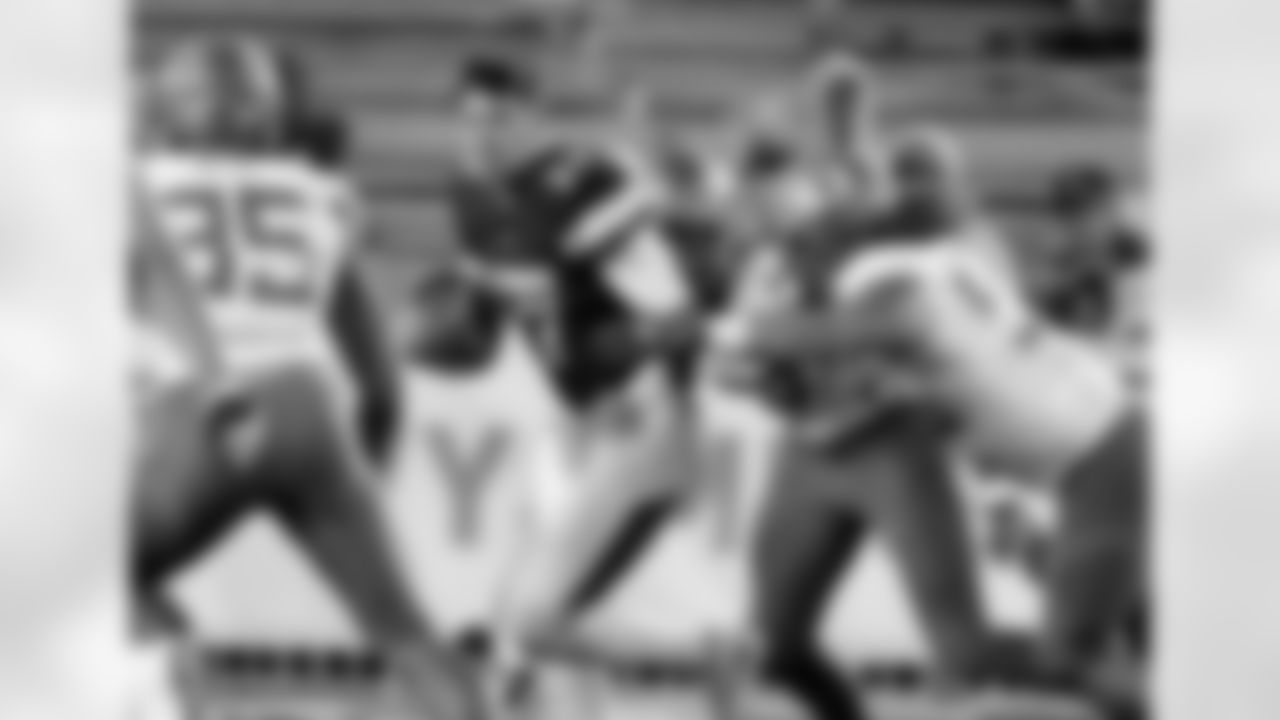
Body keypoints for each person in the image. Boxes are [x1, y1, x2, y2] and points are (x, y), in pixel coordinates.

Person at [715, 128, 1147, 720]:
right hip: (1075, 441)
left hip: (1097, 456)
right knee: (1076, 637)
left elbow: (797, 334)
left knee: (1065, 653)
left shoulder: (899, 293)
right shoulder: (943, 256)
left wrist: (720, 332)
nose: (808, 252)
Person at [131, 37, 488, 720]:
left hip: (197, 409)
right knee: (406, 632)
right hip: (308, 407)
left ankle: (166, 675)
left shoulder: (133, 188)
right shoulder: (320, 196)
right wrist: (362, 479)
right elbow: (380, 383)